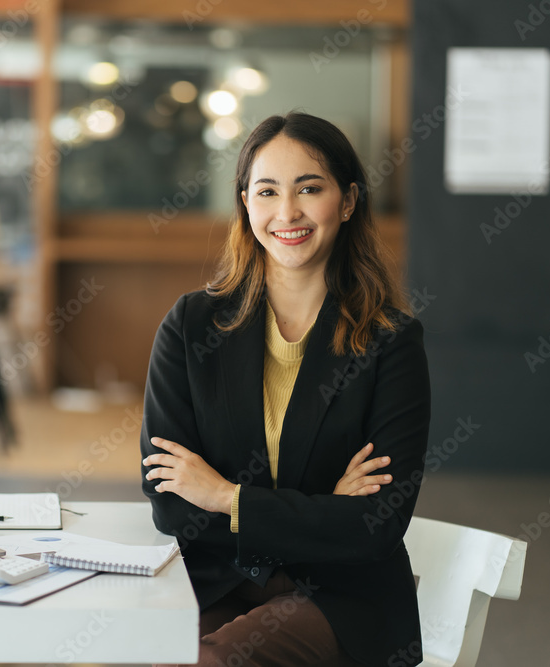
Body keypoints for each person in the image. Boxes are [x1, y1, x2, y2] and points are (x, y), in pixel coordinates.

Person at [140, 112, 431, 667]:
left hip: (342, 594)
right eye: (267, 191)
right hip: (219, 581)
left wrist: (228, 496)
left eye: (310, 189)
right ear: (245, 202)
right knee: (147, 653)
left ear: (347, 202)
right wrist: (323, 510)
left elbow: (376, 524)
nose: (287, 212)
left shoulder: (390, 342)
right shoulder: (192, 326)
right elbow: (173, 505)